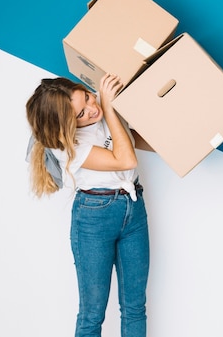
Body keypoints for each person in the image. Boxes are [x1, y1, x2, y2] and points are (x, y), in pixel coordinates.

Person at [26, 74, 150, 337]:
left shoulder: (99, 106)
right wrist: (110, 107)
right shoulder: (66, 146)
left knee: (135, 307)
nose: (93, 109)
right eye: (82, 114)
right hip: (94, 218)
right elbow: (125, 160)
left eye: (88, 97)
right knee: (92, 313)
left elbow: (134, 139)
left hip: (133, 207)